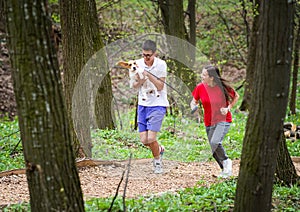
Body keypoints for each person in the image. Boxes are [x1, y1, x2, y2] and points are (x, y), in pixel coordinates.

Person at [190, 65, 239, 178]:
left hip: (223, 120)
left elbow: (236, 96)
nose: (201, 76)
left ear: (211, 77)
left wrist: (228, 108)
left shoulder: (223, 87)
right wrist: (194, 107)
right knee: (213, 149)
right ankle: (225, 170)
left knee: (215, 142)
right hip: (209, 121)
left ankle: (227, 161)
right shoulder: (200, 87)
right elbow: (193, 101)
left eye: (204, 75)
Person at [133, 40, 169, 174]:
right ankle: (159, 149)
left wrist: (149, 75)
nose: (146, 58)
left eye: (148, 55)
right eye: (143, 55)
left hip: (158, 103)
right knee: (144, 140)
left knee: (151, 138)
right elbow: (134, 86)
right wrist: (140, 80)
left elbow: (160, 86)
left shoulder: (161, 65)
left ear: (155, 54)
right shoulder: (137, 64)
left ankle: (158, 162)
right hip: (143, 103)